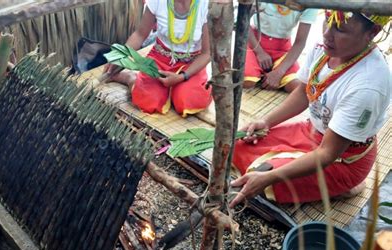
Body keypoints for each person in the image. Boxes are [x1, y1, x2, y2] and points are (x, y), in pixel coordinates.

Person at [230, 11, 391, 206]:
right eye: (327, 20)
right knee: (239, 145)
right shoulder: (325, 48)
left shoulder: (368, 84)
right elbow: (303, 92)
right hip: (311, 132)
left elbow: (328, 153)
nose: (327, 34)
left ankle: (348, 184)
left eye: (340, 29)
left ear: (372, 32)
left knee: (263, 177)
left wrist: (269, 177)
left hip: (342, 157)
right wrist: (265, 121)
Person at [105, 0, 212, 117]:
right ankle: (130, 78)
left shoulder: (207, 5)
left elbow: (207, 53)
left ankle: (177, 89)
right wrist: (121, 56)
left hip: (191, 65)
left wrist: (182, 76)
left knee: (188, 101)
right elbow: (140, 34)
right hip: (160, 59)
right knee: (147, 100)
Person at [244, 3, 319, 92]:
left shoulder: (310, 3)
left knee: (297, 87)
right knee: (248, 82)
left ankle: (267, 74)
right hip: (254, 44)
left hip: (282, 50)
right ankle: (262, 74)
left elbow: (300, 42)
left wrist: (279, 72)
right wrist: (259, 52)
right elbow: (243, 22)